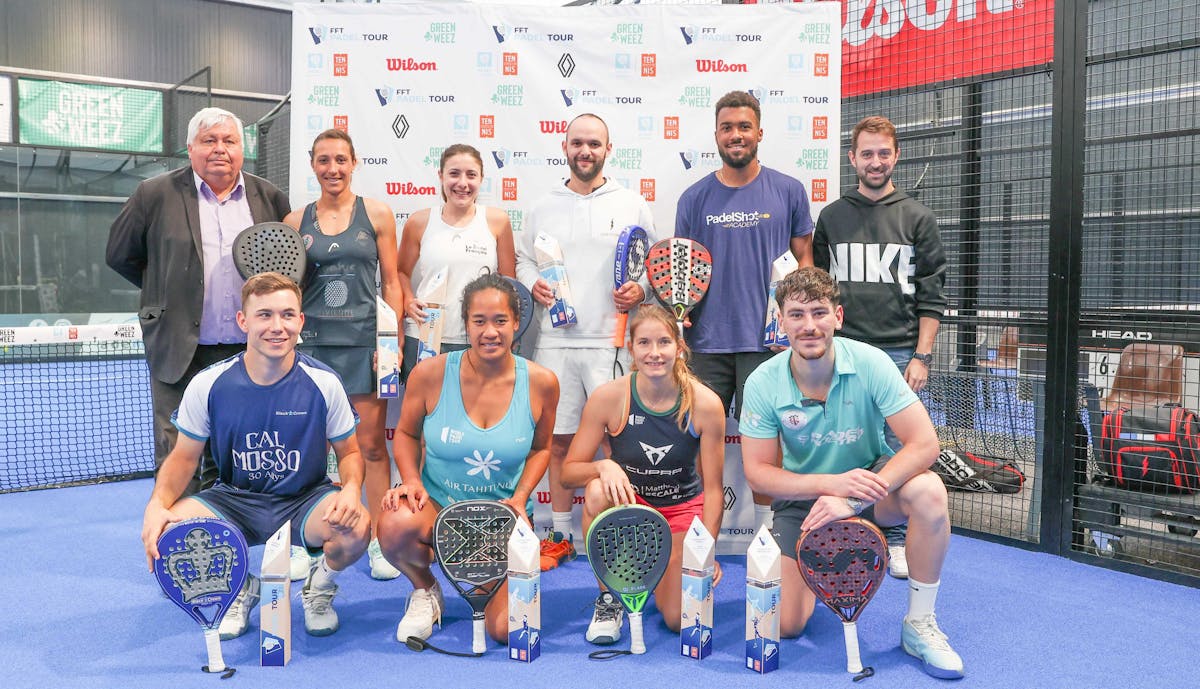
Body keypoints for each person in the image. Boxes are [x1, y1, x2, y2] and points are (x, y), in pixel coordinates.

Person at [739, 267, 963, 679]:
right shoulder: (762, 383)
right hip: (804, 505)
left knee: (930, 492)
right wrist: (830, 486)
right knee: (787, 626)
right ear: (781, 321)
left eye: (819, 312)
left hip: (868, 492)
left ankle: (919, 623)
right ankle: (828, 560)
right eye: (797, 314)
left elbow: (925, 444)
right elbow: (757, 474)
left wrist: (850, 497)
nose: (809, 325)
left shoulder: (871, 362)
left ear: (838, 317)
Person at [139, 272, 370, 641]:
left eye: (287, 315)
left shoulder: (324, 383)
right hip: (233, 499)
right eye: (264, 315)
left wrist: (351, 489)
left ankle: (319, 586)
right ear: (243, 321)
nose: (277, 326)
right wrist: (157, 505)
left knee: (356, 528)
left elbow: (351, 452)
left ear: (300, 321)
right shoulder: (209, 384)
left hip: (304, 499)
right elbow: (183, 459)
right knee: (167, 534)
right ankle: (241, 587)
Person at [107, 107, 290, 496]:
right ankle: (176, 542)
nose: (219, 149)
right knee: (177, 454)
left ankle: (226, 540)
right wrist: (165, 287)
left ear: (243, 148)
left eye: (229, 140)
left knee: (234, 454)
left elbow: (282, 269)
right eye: (209, 141)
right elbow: (120, 254)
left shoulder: (270, 198)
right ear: (190, 148)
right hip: (177, 349)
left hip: (246, 352)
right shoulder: (153, 194)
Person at [375, 273, 559, 645]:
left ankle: (498, 573)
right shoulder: (430, 374)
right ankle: (425, 589)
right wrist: (410, 479)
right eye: (479, 321)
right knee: (396, 523)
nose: (490, 332)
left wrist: (521, 499)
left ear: (516, 323)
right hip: (437, 509)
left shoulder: (542, 382)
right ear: (466, 324)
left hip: (497, 522)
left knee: (509, 631)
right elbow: (407, 435)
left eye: (500, 321)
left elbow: (542, 449)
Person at [516, 113, 657, 569]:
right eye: (578, 143)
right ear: (564, 146)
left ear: (608, 148)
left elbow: (651, 267)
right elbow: (522, 261)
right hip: (555, 343)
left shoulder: (632, 203)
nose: (585, 151)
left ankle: (619, 526)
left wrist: (641, 291)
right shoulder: (541, 205)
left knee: (616, 446)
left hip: (611, 345)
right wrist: (533, 282)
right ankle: (558, 533)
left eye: (594, 144)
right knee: (558, 442)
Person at [812, 115, 947, 579]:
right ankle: (844, 525)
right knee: (845, 442)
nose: (875, 161)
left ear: (896, 156)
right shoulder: (830, 218)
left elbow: (933, 295)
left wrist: (922, 356)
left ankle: (893, 538)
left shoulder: (919, 218)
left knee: (897, 449)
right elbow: (819, 292)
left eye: (883, 153)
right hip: (841, 352)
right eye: (866, 153)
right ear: (852, 158)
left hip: (898, 355)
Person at [674, 90, 814, 529]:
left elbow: (805, 265)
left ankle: (769, 530)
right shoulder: (693, 198)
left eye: (744, 127)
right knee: (700, 441)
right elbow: (682, 270)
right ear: (716, 134)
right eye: (727, 127)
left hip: (767, 345)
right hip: (707, 344)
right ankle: (698, 527)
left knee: (767, 439)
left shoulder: (789, 190)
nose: (736, 135)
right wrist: (679, 321)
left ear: (759, 132)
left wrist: (797, 324)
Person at [560, 304, 725, 644]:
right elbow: (568, 474)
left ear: (679, 347)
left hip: (680, 513)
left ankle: (661, 572)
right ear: (631, 348)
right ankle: (609, 598)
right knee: (596, 491)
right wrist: (602, 465)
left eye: (664, 342)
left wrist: (705, 549)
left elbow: (713, 490)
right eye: (644, 343)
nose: (654, 353)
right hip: (630, 510)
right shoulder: (609, 398)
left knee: (680, 621)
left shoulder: (705, 404)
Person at [283, 129, 405, 582]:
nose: (333, 168)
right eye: (323, 160)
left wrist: (390, 346)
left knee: (371, 446)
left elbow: (391, 284)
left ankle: (374, 540)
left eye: (341, 160)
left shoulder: (376, 213)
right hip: (310, 347)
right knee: (308, 448)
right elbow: (287, 291)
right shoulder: (295, 221)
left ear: (354, 163)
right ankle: (306, 543)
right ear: (312, 165)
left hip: (363, 345)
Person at [398, 144, 516, 377]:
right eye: (454, 174)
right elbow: (400, 272)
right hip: (424, 337)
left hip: (479, 339)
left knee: (478, 412)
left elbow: (509, 282)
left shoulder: (497, 221)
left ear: (481, 179)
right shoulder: (419, 222)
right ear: (441, 176)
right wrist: (408, 301)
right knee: (424, 412)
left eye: (471, 175)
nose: (463, 183)